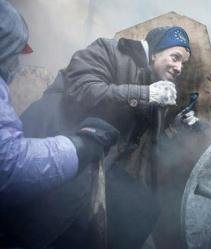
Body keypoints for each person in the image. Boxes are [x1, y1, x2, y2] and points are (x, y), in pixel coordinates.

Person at [17, 22, 200, 248]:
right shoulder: (110, 50)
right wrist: (144, 94)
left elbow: (143, 150)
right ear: (154, 52)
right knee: (36, 224)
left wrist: (174, 130)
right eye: (176, 57)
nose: (179, 67)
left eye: (183, 62)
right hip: (53, 138)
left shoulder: (156, 86)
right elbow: (81, 90)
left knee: (143, 207)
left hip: (97, 161)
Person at [0, 0, 119, 208]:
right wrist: (79, 147)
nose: (17, 65)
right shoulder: (50, 108)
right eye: (14, 56)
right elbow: (8, 164)